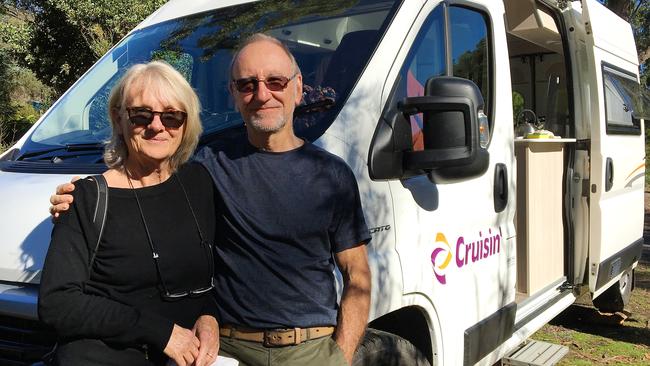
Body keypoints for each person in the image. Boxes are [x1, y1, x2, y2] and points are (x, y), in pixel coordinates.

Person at [51, 33, 371, 366]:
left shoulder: (332, 175)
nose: (262, 94)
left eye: (275, 81)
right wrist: (78, 197)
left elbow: (357, 275)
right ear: (233, 93)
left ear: (297, 85)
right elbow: (145, 175)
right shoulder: (206, 167)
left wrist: (341, 357)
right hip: (225, 350)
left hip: (309, 350)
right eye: (247, 84)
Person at [40, 61, 220, 366]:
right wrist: (161, 333)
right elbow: (57, 303)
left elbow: (209, 274)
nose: (157, 126)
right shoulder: (87, 198)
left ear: (186, 123)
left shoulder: (198, 183)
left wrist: (211, 315)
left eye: (172, 116)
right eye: (141, 115)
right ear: (118, 118)